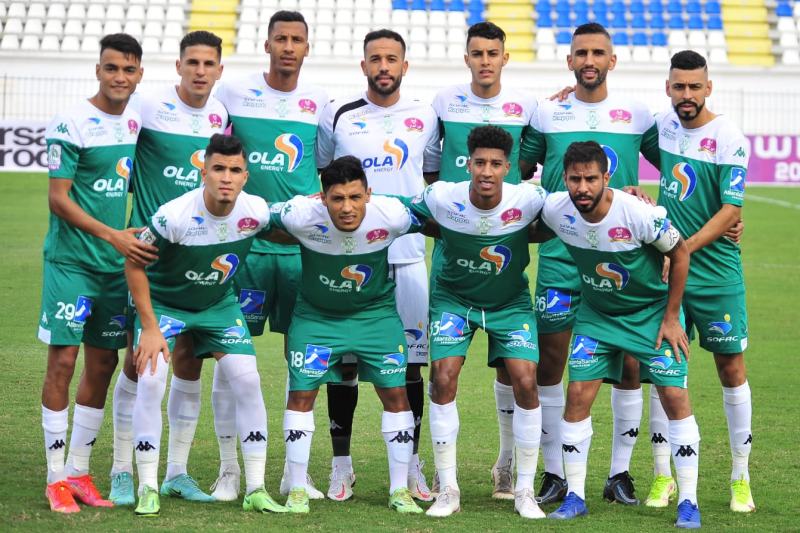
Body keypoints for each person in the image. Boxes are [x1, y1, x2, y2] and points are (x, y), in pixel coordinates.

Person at [519, 22, 661, 505]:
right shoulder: (547, 112)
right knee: (551, 363)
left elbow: (677, 171)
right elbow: (519, 171)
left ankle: (619, 474)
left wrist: (651, 200)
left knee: (629, 366)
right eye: (581, 53)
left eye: (598, 52)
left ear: (612, 60)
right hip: (561, 260)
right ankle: (554, 473)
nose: (589, 61)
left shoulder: (638, 115)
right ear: (570, 60)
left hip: (623, 265)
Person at [540, 141, 701, 529]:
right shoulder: (556, 209)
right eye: (575, 179)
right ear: (564, 179)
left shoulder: (636, 213)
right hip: (597, 315)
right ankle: (575, 496)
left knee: (674, 396)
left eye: (591, 179)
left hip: (650, 315)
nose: (582, 188)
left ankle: (689, 502)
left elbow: (680, 253)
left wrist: (672, 317)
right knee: (578, 394)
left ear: (606, 178)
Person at [125, 134, 285, 517]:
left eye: (234, 170)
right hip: (165, 304)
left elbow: (288, 222)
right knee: (151, 381)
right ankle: (148, 486)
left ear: (245, 176)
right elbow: (134, 262)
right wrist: (149, 327)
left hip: (218, 305)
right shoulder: (174, 216)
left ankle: (256, 488)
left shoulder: (255, 211)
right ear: (204, 172)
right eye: (218, 169)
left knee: (248, 380)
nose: (226, 178)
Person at [314, 28, 440, 502]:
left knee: (410, 367)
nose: (383, 66)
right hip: (350, 258)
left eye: (391, 59)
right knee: (344, 366)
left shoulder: (426, 116)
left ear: (405, 66)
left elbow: (431, 176)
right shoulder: (339, 115)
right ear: (363, 65)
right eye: (375, 59)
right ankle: (340, 466)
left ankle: (411, 466)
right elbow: (327, 177)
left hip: (407, 258)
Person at [108, 30, 228, 506]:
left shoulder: (221, 116)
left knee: (189, 361)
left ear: (219, 70)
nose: (200, 71)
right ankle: (122, 470)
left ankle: (177, 470)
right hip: (149, 259)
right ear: (178, 66)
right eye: (192, 62)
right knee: (138, 362)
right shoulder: (148, 108)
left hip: (195, 261)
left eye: (208, 63)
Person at [212, 10, 327, 500]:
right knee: (228, 357)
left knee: (302, 360)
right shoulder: (234, 94)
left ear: (306, 48)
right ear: (267, 44)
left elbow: (326, 172)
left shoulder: (319, 103)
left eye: (296, 40)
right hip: (244, 252)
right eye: (280, 38)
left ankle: (295, 474)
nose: (288, 47)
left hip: (299, 253)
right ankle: (228, 471)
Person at [407, 126, 548, 519]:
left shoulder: (530, 199)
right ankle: (448, 488)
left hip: (509, 303)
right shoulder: (441, 196)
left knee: (525, 380)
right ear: (468, 164)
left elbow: (574, 212)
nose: (487, 171)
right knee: (443, 377)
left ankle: (524, 489)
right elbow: (402, 213)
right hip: (454, 300)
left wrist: (630, 197)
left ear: (508, 168)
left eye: (496, 164)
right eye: (480, 162)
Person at [273, 155, 425, 514]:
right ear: (322, 197)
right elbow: (253, 219)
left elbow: (440, 216)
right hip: (316, 319)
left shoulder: (392, 214)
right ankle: (297, 489)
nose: (346, 208)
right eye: (337, 198)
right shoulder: (300, 214)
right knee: (301, 395)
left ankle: (399, 490)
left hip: (375, 317)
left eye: (355, 197)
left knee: (396, 393)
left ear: (369, 194)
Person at [39, 33, 152, 514]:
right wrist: (112, 235)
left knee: (103, 363)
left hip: (113, 268)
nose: (119, 77)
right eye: (111, 68)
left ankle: (79, 471)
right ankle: (54, 478)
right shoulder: (71, 122)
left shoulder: (136, 120)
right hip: (71, 263)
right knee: (63, 361)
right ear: (98, 70)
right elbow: (58, 199)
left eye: (128, 69)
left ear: (139, 74)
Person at [429, 20, 538, 500]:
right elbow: (429, 172)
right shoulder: (443, 103)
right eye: (477, 53)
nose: (486, 60)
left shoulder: (527, 107)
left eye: (493, 53)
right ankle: (444, 476)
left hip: (505, 267)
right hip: (455, 262)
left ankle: (507, 466)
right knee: (442, 371)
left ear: (505, 57)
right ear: (467, 57)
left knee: (514, 372)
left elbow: (538, 167)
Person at [647, 50, 754, 513]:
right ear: (668, 88)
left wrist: (683, 248)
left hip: (716, 275)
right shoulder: (662, 127)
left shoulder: (728, 137)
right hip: (667, 274)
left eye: (694, 87)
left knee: (731, 369)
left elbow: (731, 209)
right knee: (664, 370)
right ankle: (662, 476)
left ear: (708, 88)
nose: (686, 95)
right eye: (679, 86)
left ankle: (740, 477)